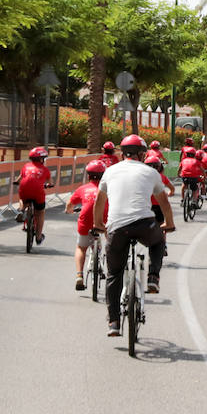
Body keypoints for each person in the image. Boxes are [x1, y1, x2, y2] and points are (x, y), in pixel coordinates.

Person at [93, 135, 174, 337]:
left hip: (116, 228)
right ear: (142, 154)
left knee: (114, 275)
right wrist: (169, 224)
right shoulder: (151, 172)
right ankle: (153, 276)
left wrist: (98, 224)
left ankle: (113, 322)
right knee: (158, 241)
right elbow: (164, 203)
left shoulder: (109, 171)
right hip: (144, 224)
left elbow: (99, 202)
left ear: (122, 154)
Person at [65, 159, 108, 291]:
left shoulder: (83, 189)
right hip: (104, 220)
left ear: (88, 175)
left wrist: (69, 210)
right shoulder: (109, 188)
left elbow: (70, 204)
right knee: (112, 243)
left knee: (81, 248)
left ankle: (79, 275)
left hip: (86, 221)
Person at [15, 147, 52, 244]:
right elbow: (50, 182)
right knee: (40, 213)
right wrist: (49, 185)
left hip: (24, 189)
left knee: (22, 199)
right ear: (41, 159)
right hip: (38, 192)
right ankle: (39, 237)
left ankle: (22, 210)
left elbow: (20, 177)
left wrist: (16, 182)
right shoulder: (45, 169)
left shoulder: (26, 166)